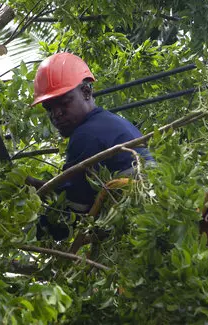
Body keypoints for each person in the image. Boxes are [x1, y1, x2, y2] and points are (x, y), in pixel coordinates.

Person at [26, 52, 154, 239]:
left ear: (86, 92)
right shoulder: (111, 123)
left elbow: (70, 217)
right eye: (49, 108)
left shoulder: (86, 136)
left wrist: (19, 233)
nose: (56, 114)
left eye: (63, 103)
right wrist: (46, 189)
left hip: (139, 230)